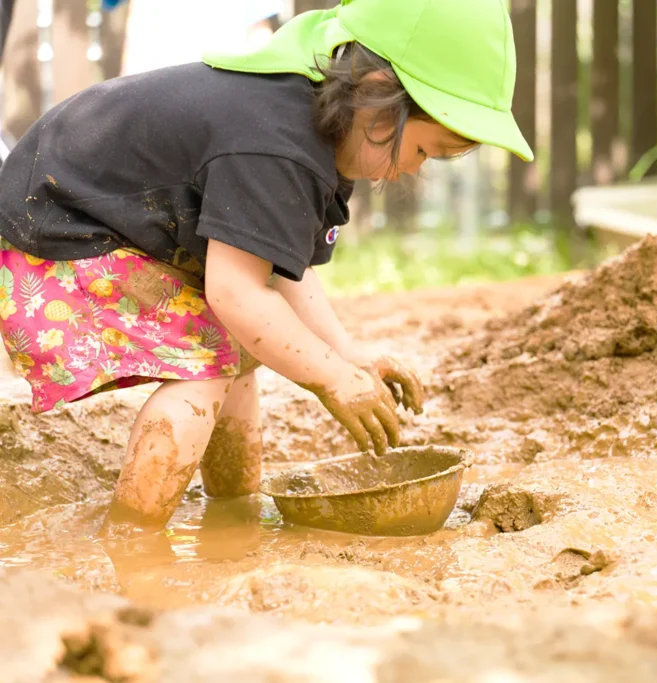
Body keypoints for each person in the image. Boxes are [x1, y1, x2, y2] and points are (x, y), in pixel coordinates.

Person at [0, 0, 533, 535]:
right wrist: (331, 378)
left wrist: (348, 355)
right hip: (53, 228)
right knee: (208, 360)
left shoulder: (321, 132)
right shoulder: (276, 143)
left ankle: (232, 513)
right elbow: (236, 293)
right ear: (376, 97)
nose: (415, 169)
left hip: (97, 223)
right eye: (422, 150)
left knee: (240, 344)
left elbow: (280, 270)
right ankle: (133, 537)